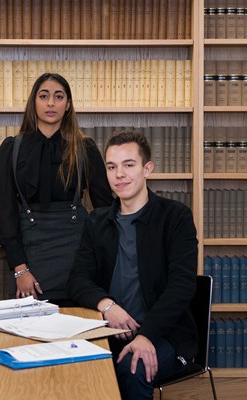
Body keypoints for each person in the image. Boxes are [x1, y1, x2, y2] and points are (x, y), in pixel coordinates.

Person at [68, 130, 198, 400]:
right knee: (65, 366)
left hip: (165, 335)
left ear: (147, 168)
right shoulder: (97, 221)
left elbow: (182, 286)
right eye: (112, 167)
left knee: (133, 367)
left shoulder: (175, 217)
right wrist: (108, 306)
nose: (120, 174)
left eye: (129, 165)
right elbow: (79, 279)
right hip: (108, 332)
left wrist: (147, 335)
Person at [0, 72, 113, 306]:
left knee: (78, 336)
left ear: (67, 105)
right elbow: (5, 212)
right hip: (29, 260)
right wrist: (20, 270)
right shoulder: (12, 148)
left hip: (78, 258)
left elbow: (104, 209)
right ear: (34, 102)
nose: (51, 103)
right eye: (44, 96)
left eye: (59, 97)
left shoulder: (84, 148)